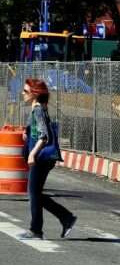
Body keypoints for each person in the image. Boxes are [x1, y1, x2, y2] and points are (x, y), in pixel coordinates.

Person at [20, 79, 77, 239]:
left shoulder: (38, 109)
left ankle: (36, 230)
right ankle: (65, 218)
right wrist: (27, 132)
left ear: (34, 94)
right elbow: (38, 130)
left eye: (25, 91)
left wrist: (32, 154)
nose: (22, 94)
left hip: (41, 158)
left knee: (33, 193)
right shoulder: (37, 108)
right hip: (43, 158)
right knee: (35, 193)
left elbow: (44, 136)